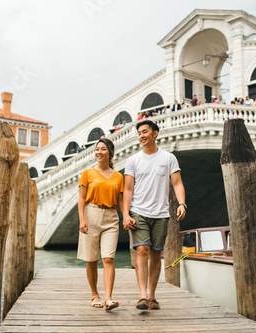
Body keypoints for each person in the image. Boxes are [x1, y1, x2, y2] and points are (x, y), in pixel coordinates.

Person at [122, 120, 186, 310]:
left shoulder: (168, 158)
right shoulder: (133, 160)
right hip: (139, 211)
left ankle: (152, 295)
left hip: (161, 213)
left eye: (145, 132)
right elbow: (127, 189)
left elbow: (177, 183)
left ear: (155, 133)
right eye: (139, 133)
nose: (141, 136)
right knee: (142, 250)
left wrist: (182, 203)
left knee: (156, 253)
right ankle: (142, 295)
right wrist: (126, 214)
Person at [77, 137, 123, 311]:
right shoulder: (87, 173)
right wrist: (82, 219)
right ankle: (94, 294)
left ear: (110, 153)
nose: (99, 152)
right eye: (97, 149)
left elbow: (121, 201)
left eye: (103, 149)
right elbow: (81, 199)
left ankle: (108, 298)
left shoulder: (119, 177)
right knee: (92, 259)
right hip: (91, 213)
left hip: (111, 217)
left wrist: (127, 216)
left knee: (109, 258)